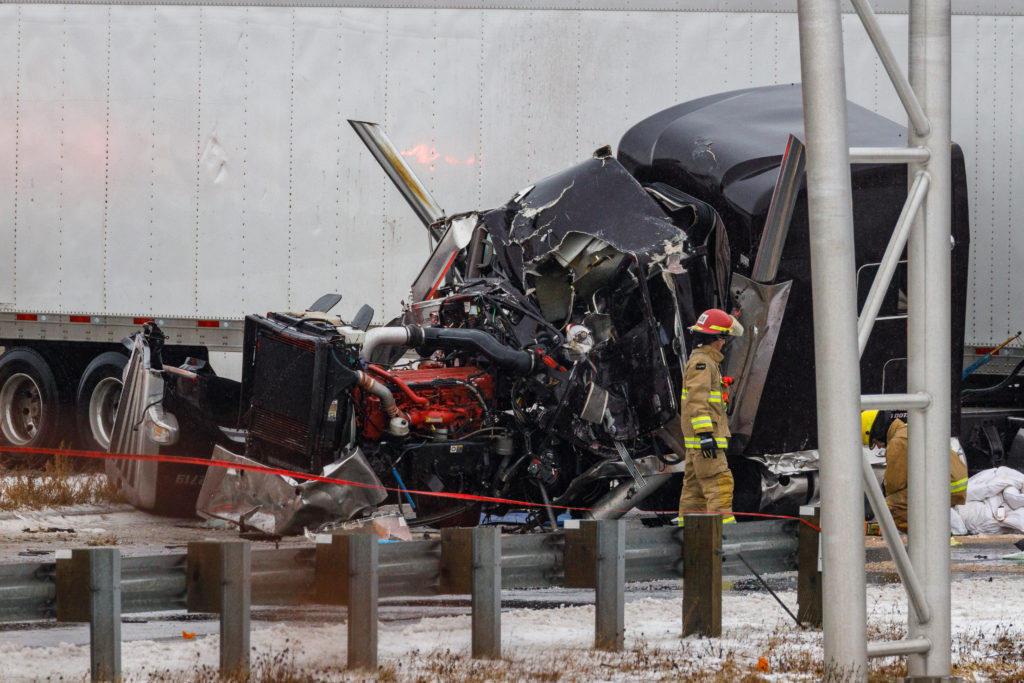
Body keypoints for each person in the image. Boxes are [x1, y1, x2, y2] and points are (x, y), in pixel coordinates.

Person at [678, 308, 743, 525]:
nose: (724, 342)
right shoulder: (703, 364)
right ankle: (723, 534)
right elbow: (697, 401)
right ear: (715, 339)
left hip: (698, 442)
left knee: (694, 490)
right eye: (723, 337)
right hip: (706, 441)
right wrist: (706, 434)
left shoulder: (703, 361)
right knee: (720, 484)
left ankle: (689, 532)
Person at [861, 410, 969, 531]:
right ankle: (939, 533)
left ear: (877, 431)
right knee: (908, 500)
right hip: (953, 484)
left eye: (875, 442)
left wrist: (873, 504)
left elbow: (894, 485)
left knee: (891, 506)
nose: (879, 447)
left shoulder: (898, 442)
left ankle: (925, 537)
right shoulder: (909, 429)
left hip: (945, 486)